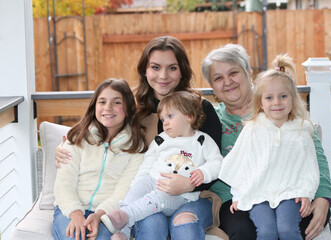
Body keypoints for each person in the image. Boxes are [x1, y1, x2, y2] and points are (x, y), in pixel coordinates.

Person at [55, 36, 222, 240]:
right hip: (149, 193)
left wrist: (190, 184)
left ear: (182, 71)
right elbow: (100, 129)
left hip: (192, 195)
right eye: (155, 67)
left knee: (184, 225)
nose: (163, 75)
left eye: (172, 68)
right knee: (152, 224)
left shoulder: (199, 108)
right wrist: (65, 147)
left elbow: (216, 162)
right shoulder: (133, 107)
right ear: (145, 70)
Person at [201, 44, 331, 240]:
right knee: (245, 231)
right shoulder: (212, 119)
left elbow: (314, 157)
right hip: (237, 197)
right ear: (212, 86)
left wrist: (323, 198)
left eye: (233, 73)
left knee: (293, 225)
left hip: (290, 190)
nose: (227, 82)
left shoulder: (280, 109)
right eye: (218, 78)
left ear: (248, 72)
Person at [101, 91, 223, 240]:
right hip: (152, 180)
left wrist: (204, 172)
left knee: (157, 198)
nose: (164, 122)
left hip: (179, 194)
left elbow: (217, 162)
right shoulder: (161, 139)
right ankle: (123, 233)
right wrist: (137, 184)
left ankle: (127, 215)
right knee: (132, 196)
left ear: (189, 117)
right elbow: (148, 163)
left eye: (170, 117)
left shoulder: (202, 140)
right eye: (163, 118)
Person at [52, 78, 147, 240]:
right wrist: (76, 214)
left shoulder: (136, 148)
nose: (108, 108)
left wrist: (99, 215)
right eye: (102, 102)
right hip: (70, 210)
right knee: (76, 237)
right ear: (94, 106)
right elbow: (64, 183)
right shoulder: (77, 139)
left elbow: (124, 191)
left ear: (128, 109)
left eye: (117, 102)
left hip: (106, 213)